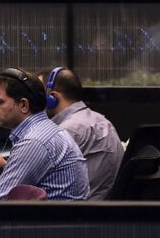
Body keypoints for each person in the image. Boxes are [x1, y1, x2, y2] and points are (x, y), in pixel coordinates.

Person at [0, 68, 89, 201]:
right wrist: (7, 166)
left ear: (23, 105)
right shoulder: (47, 130)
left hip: (51, 221)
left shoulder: (34, 141)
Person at [44, 67, 123, 200]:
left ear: (53, 98)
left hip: (78, 212)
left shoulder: (67, 130)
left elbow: (40, 179)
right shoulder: (102, 120)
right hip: (103, 206)